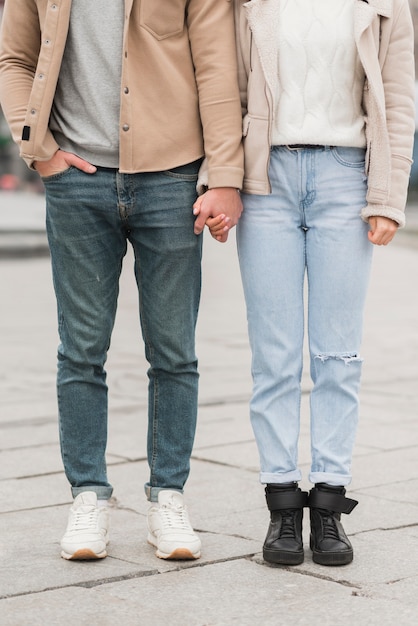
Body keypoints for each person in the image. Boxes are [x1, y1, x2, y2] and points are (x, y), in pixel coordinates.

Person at [0, 0, 243, 561]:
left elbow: (217, 70)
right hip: (76, 180)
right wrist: (38, 146)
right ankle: (88, 495)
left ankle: (168, 496)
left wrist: (223, 176)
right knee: (81, 350)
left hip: (173, 179)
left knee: (174, 350)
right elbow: (15, 57)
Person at [204, 0, 415, 566]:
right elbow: (227, 93)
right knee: (274, 355)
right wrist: (221, 178)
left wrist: (388, 196)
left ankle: (327, 504)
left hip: (347, 178)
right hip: (264, 178)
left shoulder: (386, 5)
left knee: (338, 354)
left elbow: (398, 99)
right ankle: (281, 509)